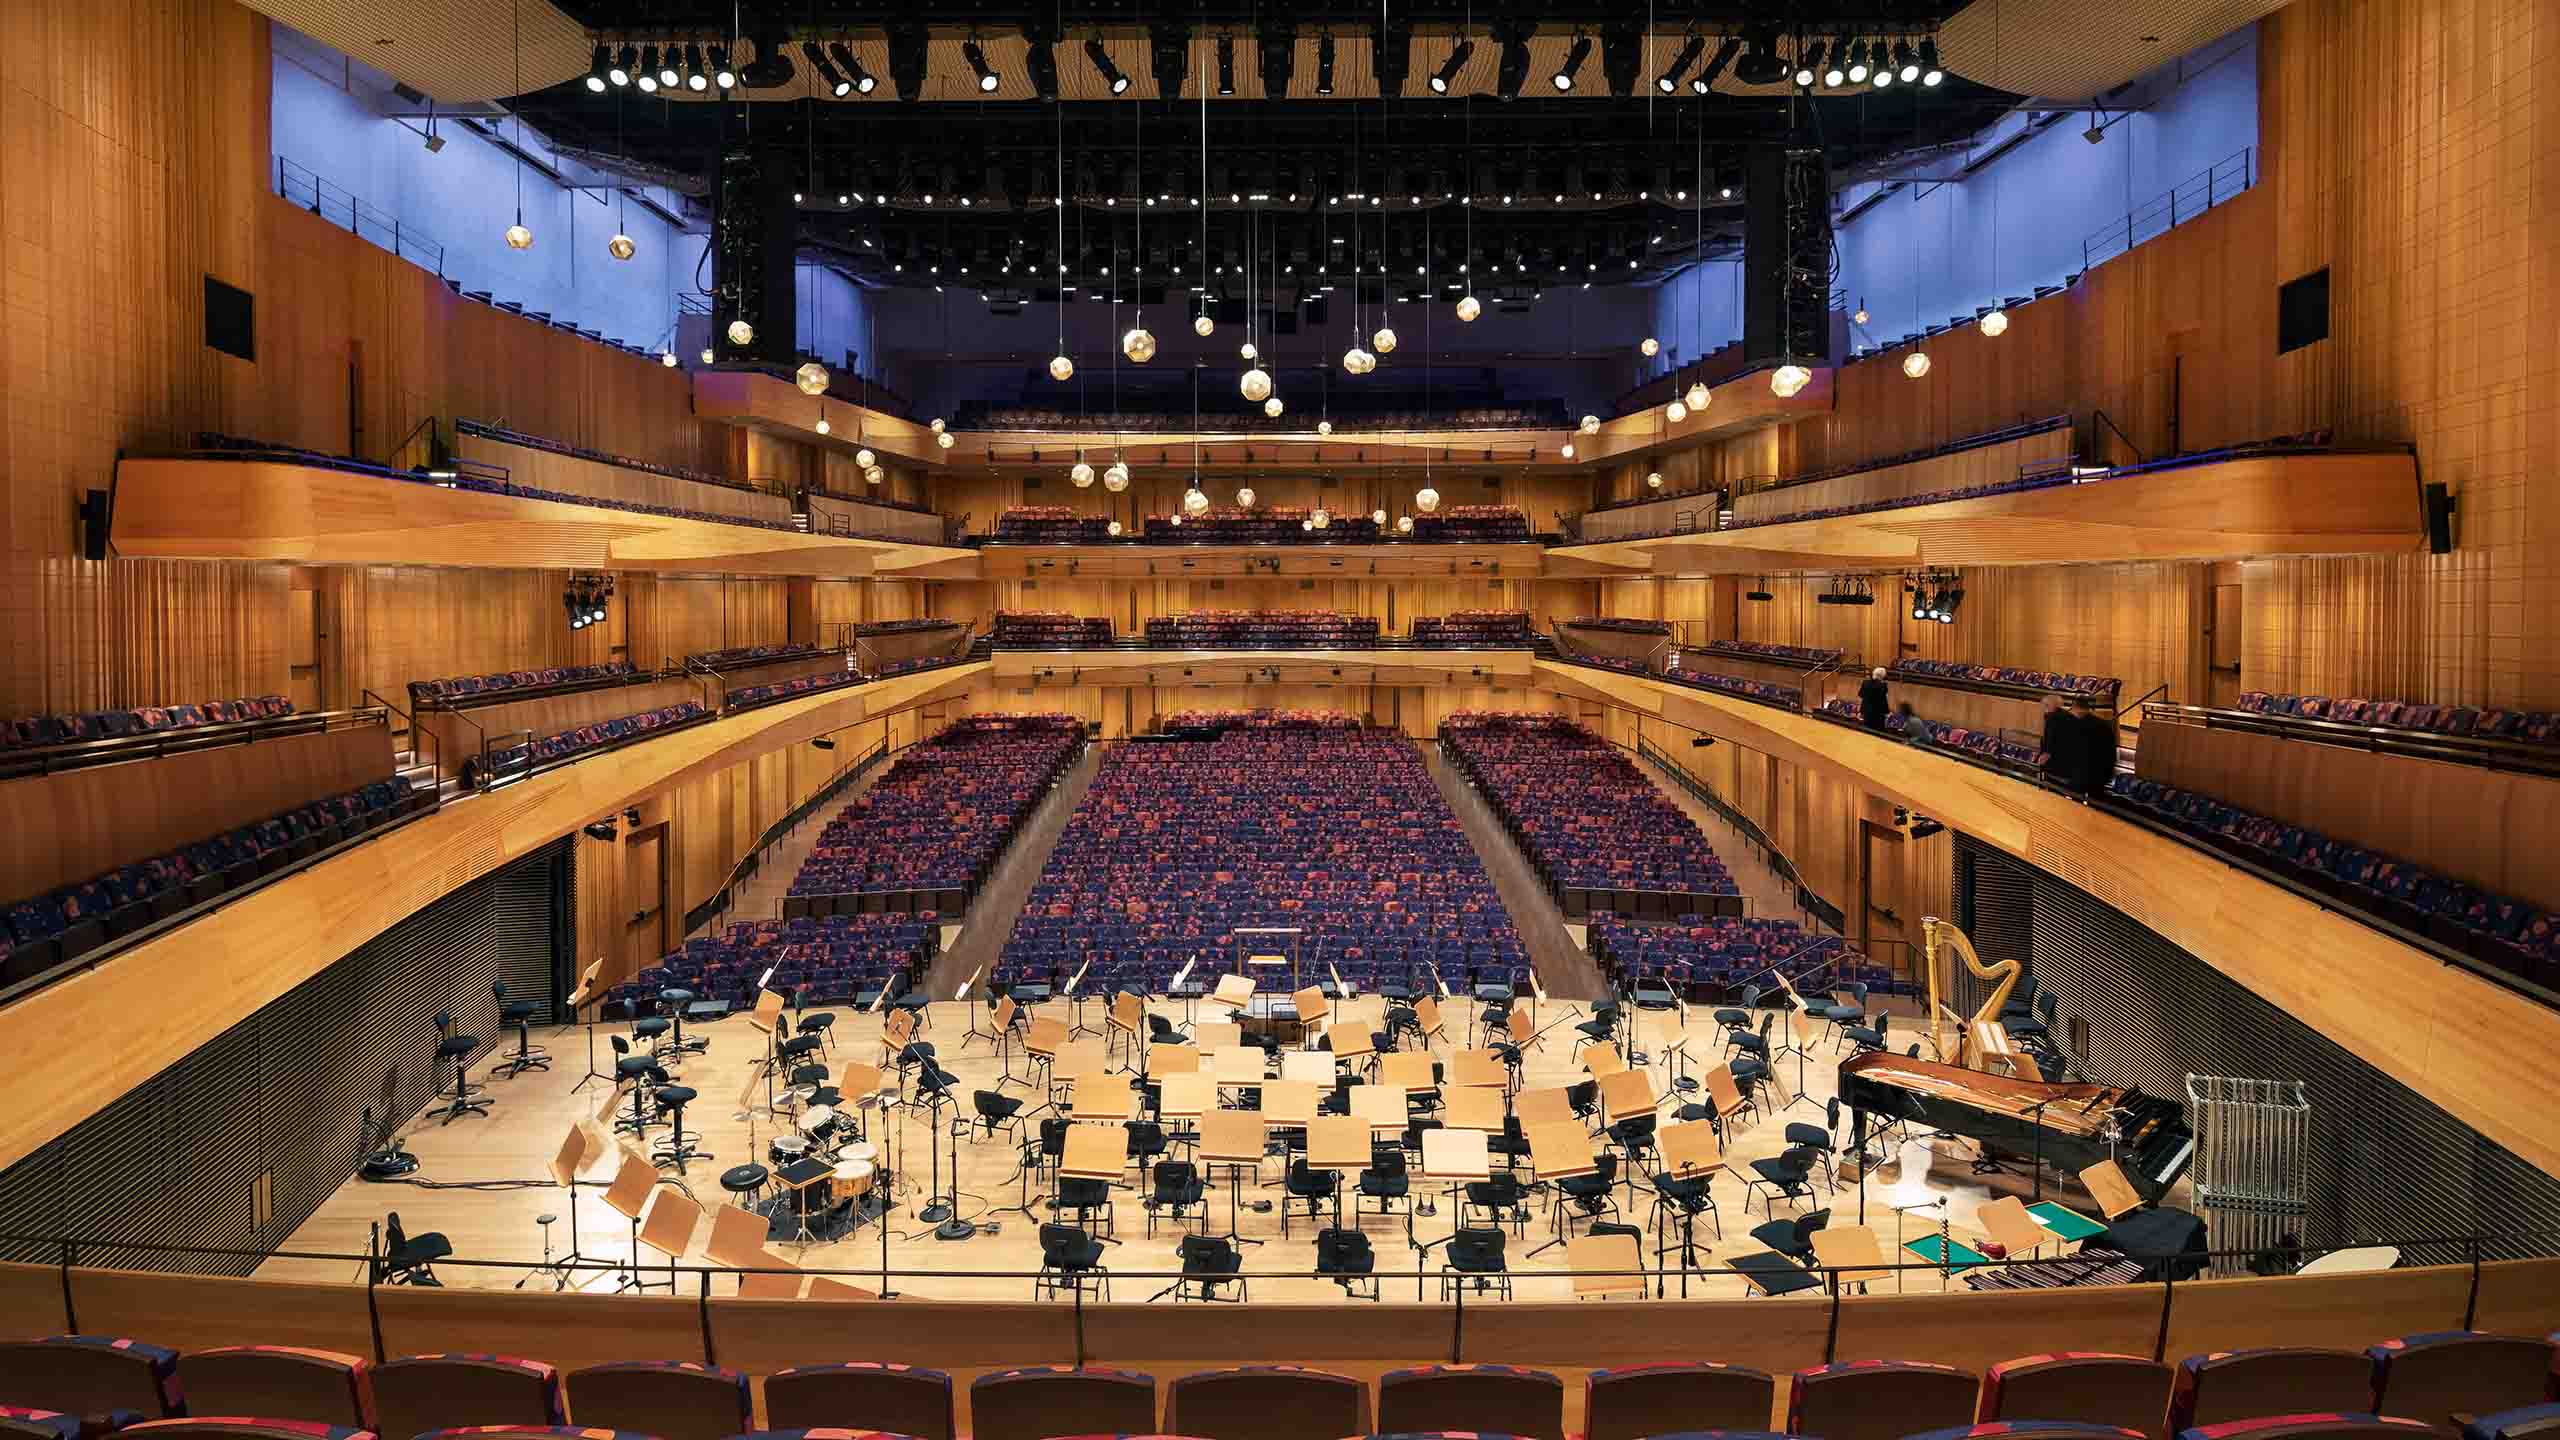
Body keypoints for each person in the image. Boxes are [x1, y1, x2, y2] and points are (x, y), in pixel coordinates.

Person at [2073, 697, 2120, 797]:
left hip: (2085, 772)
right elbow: (2111, 750)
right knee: (2095, 802)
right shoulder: (2104, 724)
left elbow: (2077, 750)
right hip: (2102, 771)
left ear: (2075, 708)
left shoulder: (2076, 725)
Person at [2039, 695, 2079, 789]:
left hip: (2055, 760)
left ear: (2051, 705)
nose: (2044, 708)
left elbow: (2051, 737)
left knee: (2054, 785)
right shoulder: (2069, 716)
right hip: (2068, 759)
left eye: (2046, 705)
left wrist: (2046, 753)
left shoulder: (2052, 717)